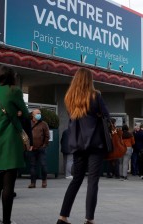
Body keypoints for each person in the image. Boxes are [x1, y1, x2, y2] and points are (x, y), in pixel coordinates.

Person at [56, 68, 110, 224]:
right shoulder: (95, 96)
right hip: (95, 144)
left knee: (76, 180)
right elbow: (107, 116)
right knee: (92, 181)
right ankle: (89, 219)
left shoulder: (69, 97)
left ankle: (62, 217)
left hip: (77, 144)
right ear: (89, 80)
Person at [0, 65, 30, 224]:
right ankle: (6, 221)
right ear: (12, 77)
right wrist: (17, 113)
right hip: (11, 141)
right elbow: (25, 114)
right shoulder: (14, 91)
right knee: (8, 185)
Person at [28, 109, 50, 188]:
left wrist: (44, 145)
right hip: (31, 149)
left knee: (43, 165)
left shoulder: (44, 124)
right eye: (37, 113)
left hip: (41, 149)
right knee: (32, 166)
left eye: (40, 113)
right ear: (33, 115)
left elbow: (47, 136)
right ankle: (33, 183)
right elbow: (25, 135)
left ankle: (44, 181)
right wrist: (27, 146)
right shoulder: (28, 123)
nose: (39, 115)